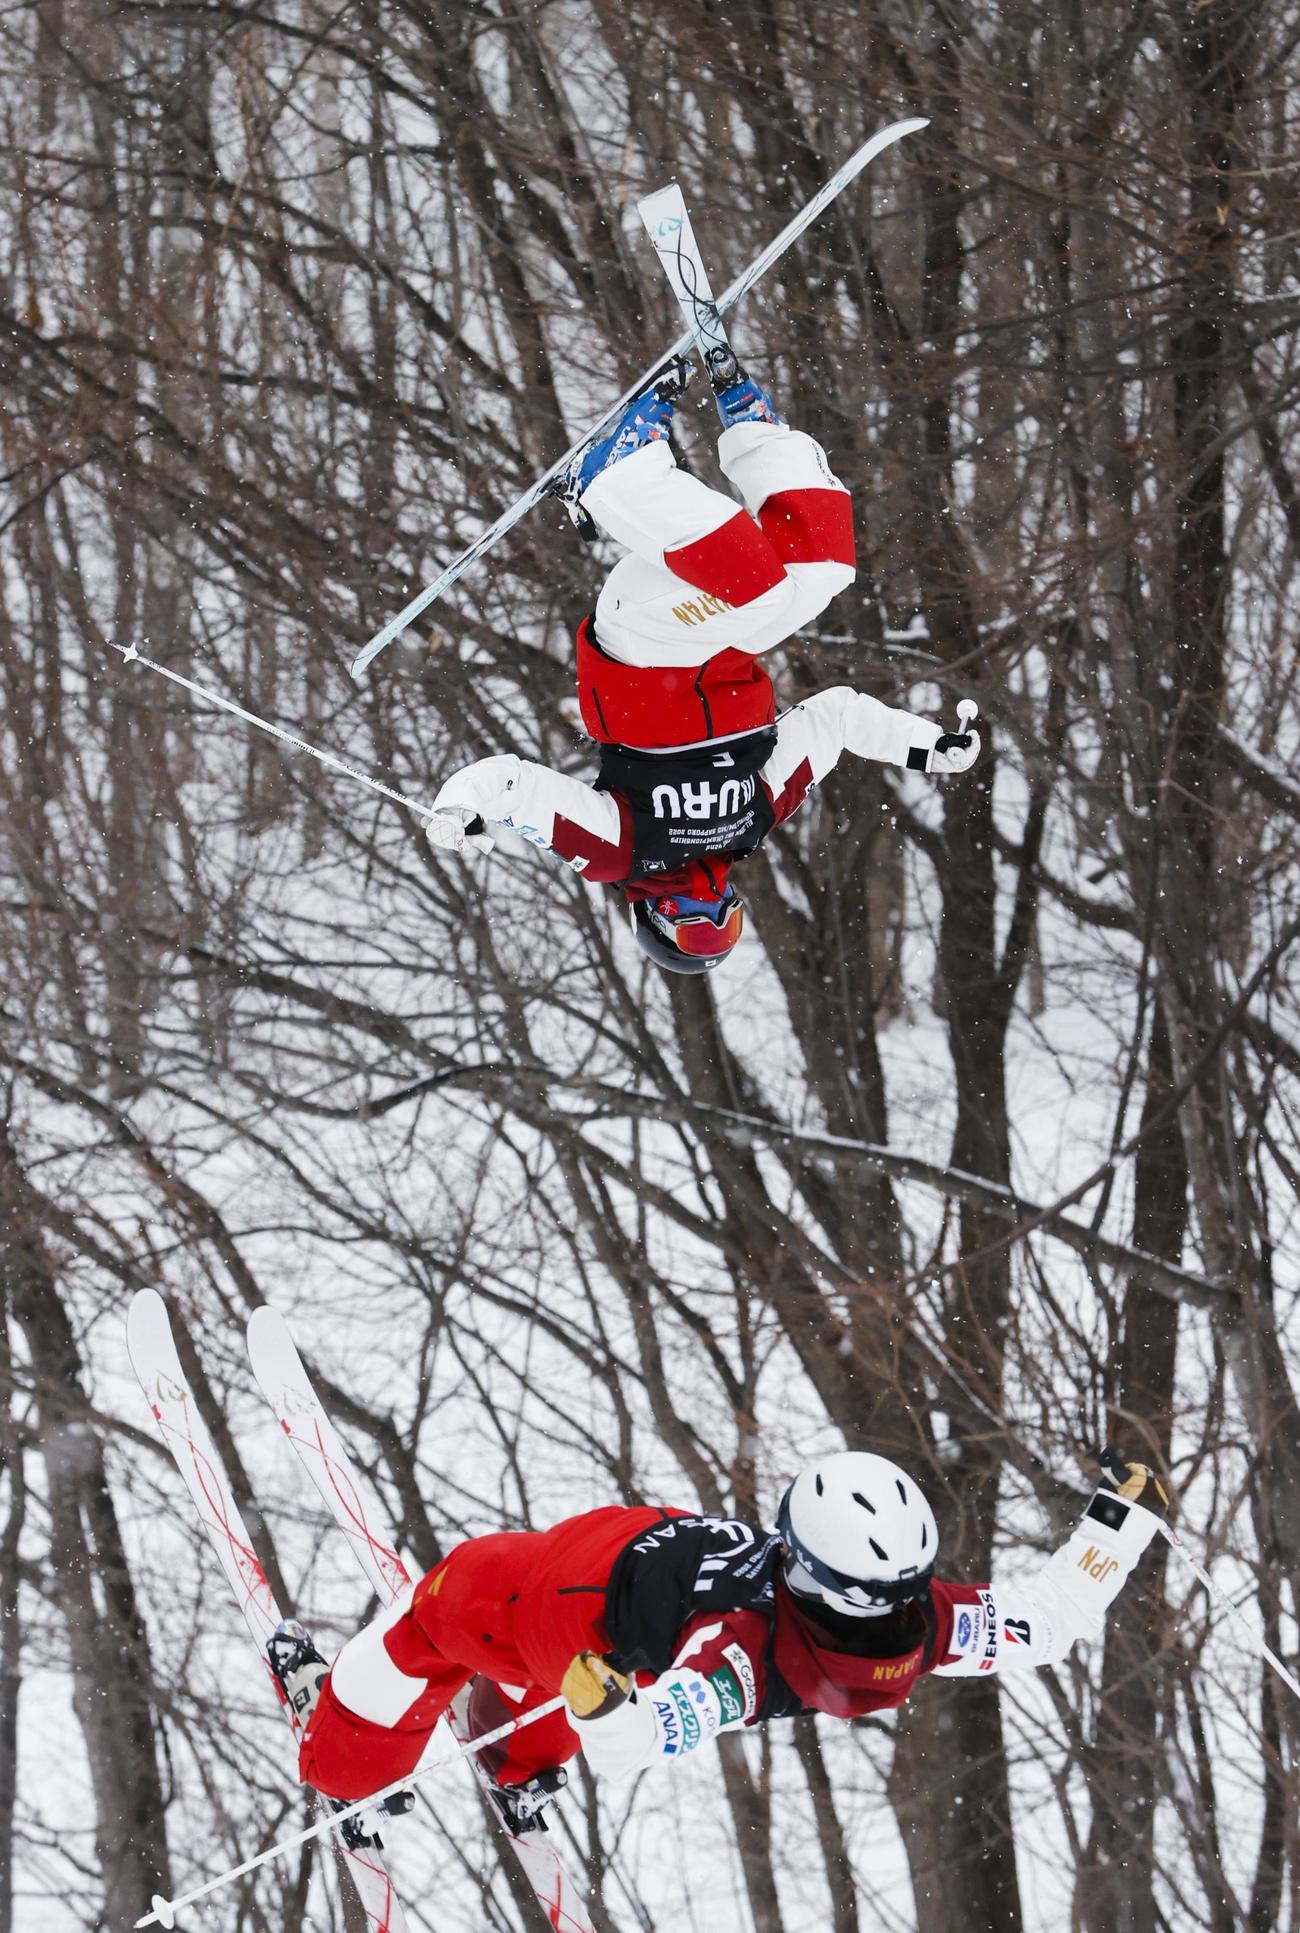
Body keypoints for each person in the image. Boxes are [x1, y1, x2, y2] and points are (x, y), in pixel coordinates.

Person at [423, 358, 981, 974]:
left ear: (654, 918)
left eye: (694, 930)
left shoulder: (620, 853)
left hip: (642, 652)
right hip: (714, 646)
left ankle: (614, 478)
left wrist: (458, 804)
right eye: (728, 924)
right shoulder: (754, 821)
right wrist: (924, 748)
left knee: (756, 592)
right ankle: (758, 434)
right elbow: (837, 720)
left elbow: (517, 789)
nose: (713, 913)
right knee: (820, 576)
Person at [283, 1449, 1169, 1831]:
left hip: (571, 1594)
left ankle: (344, 1760)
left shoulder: (738, 1655)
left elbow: (642, 1737)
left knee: (436, 1615)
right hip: (637, 1570)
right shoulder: (924, 1621)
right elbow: (1050, 1618)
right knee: (546, 1673)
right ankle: (515, 1753)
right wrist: (1120, 1523)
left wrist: (609, 1711)